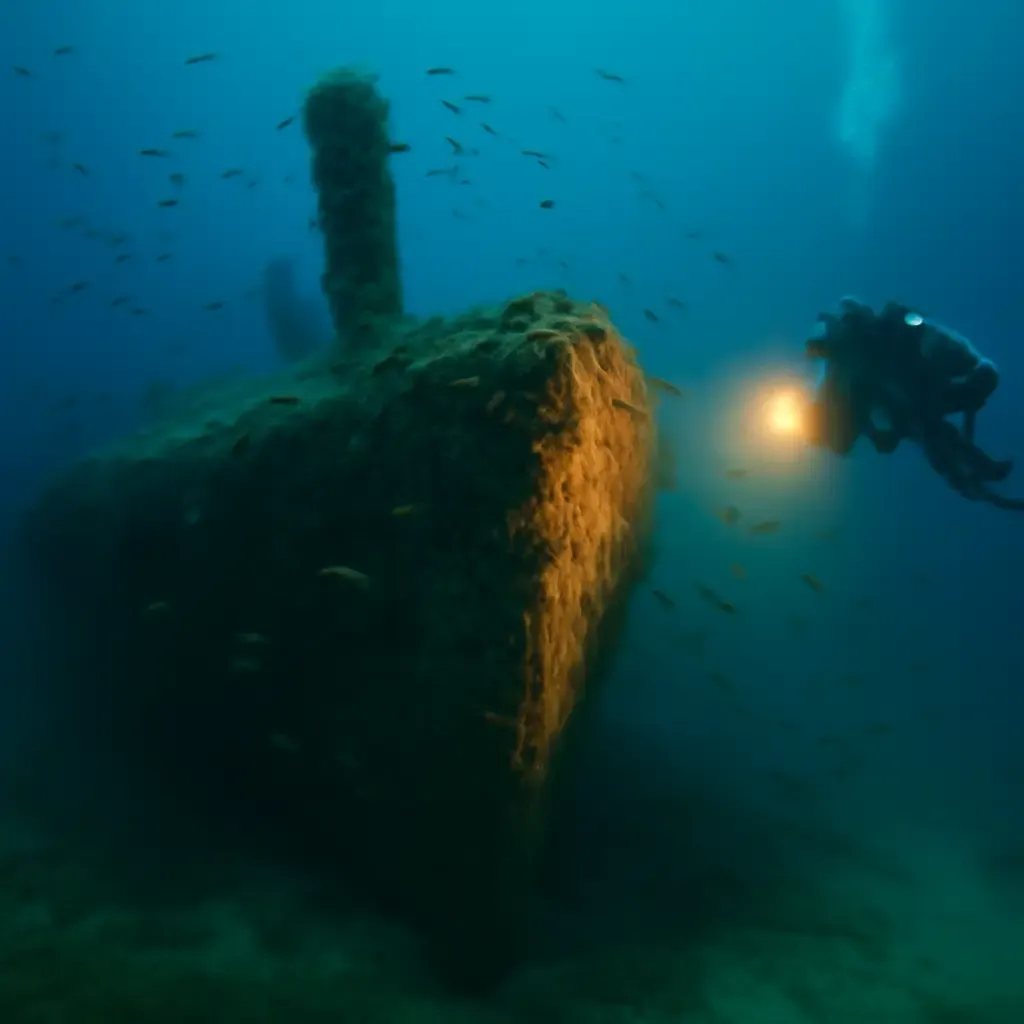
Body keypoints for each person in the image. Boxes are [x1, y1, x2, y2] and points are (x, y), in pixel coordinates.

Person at [804, 296, 1022, 509]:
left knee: (926, 428)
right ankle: (970, 477)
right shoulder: (844, 368)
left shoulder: (891, 329)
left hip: (924, 393)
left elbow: (936, 339)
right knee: (924, 428)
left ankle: (971, 477)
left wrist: (976, 368)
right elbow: (840, 422)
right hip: (908, 407)